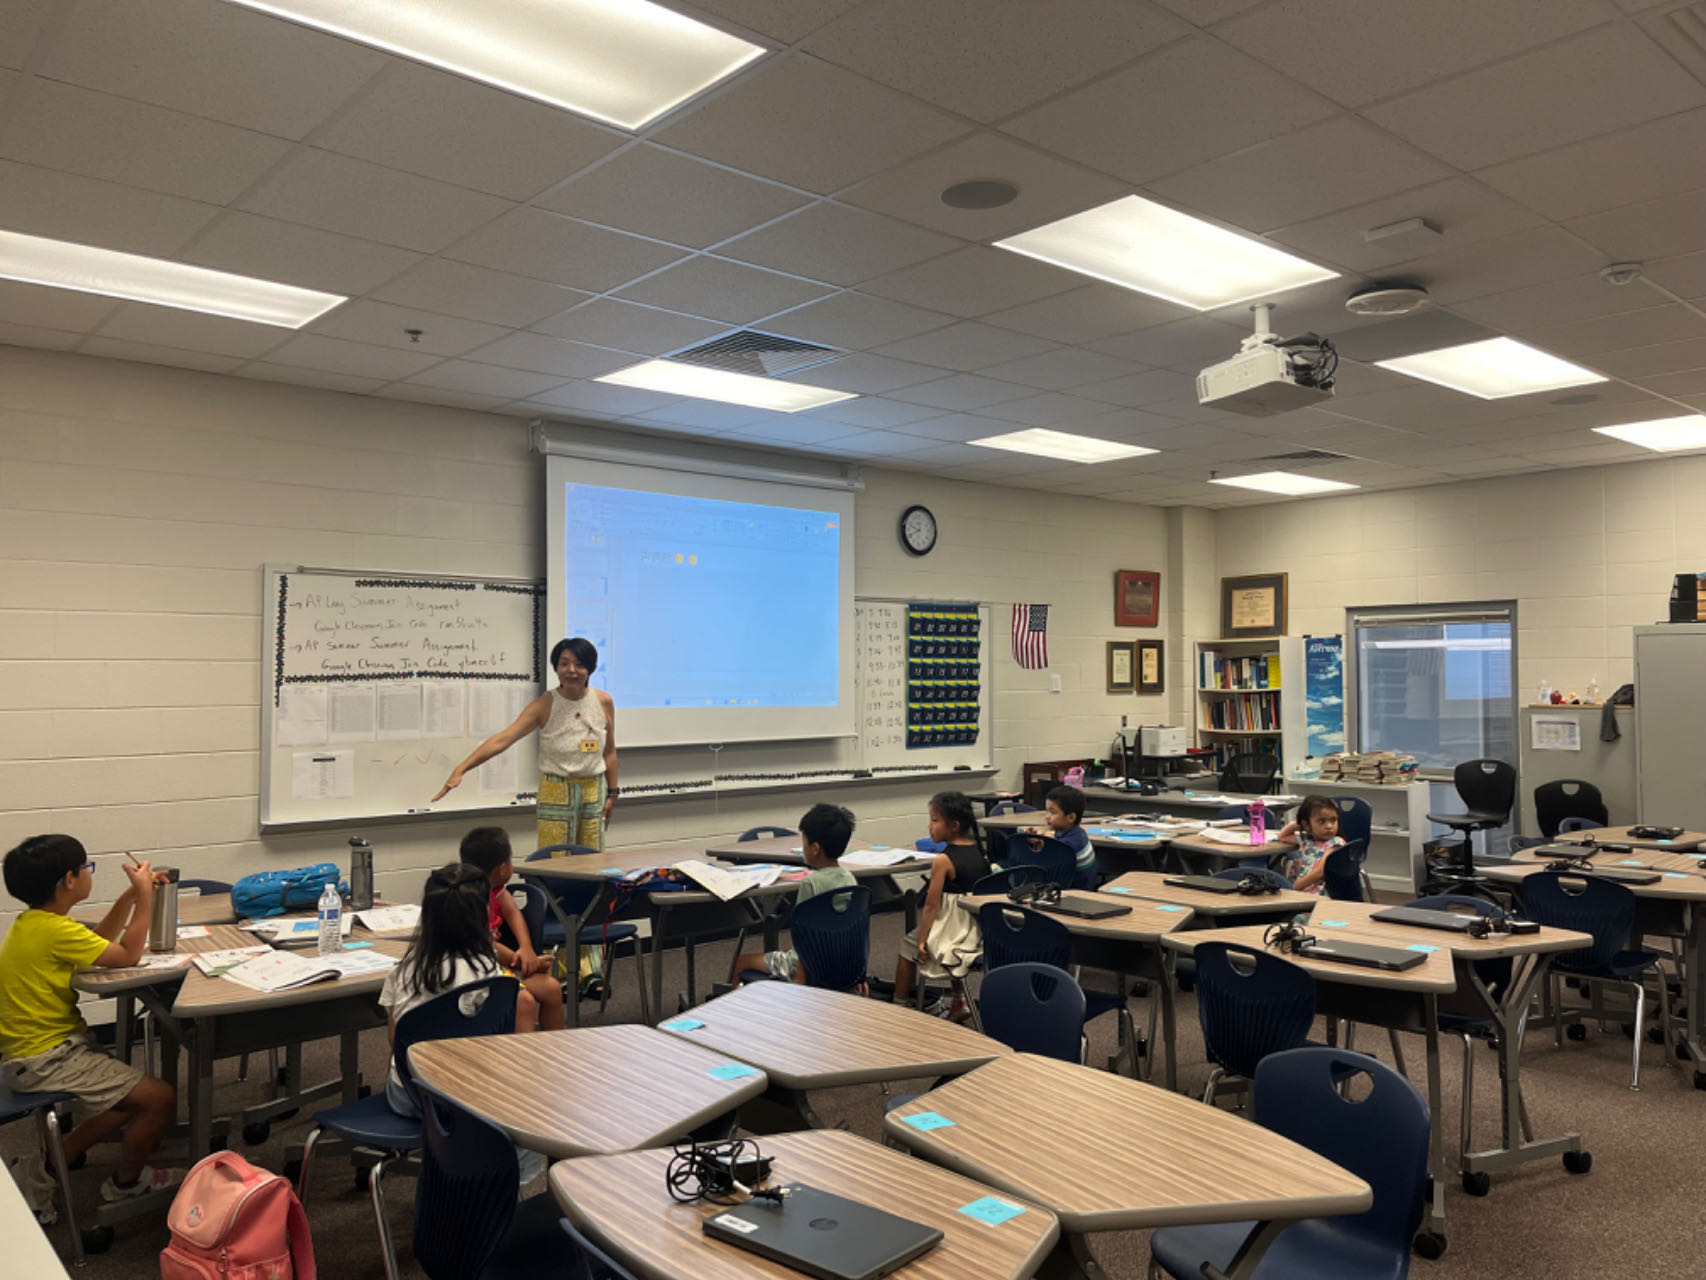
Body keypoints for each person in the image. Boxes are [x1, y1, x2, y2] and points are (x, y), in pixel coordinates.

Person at [0, 835, 180, 1219]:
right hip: (45, 1058)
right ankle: (125, 1184)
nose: (87, 873)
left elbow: (97, 944)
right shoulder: (54, 930)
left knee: (129, 1099)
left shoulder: (36, 924)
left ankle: (51, 1161)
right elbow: (128, 954)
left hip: (32, 1054)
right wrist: (145, 897)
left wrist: (130, 897)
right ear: (69, 880)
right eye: (86, 868)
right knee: (158, 1097)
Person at [376, 862, 534, 1116]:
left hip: (410, 1096)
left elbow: (396, 1039)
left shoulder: (404, 970)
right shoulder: (488, 974)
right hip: (472, 1098)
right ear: (483, 916)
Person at [434, 637, 618, 853]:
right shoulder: (545, 704)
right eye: (564, 663)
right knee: (556, 858)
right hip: (556, 790)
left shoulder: (603, 701)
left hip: (594, 790)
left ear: (591, 668)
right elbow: (503, 739)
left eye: (579, 664)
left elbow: (609, 752)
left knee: (592, 857)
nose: (571, 670)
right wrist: (461, 769)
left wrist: (612, 793)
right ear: (556, 668)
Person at [733, 804, 858, 986]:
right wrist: (857, 974)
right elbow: (855, 931)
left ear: (815, 848)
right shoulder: (850, 879)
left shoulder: (811, 883)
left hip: (806, 966)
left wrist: (800, 980)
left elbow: (803, 938)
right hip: (841, 964)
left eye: (804, 841)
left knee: (742, 962)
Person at [894, 792, 990, 1022]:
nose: (929, 826)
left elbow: (931, 906)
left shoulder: (943, 861)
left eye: (935, 820)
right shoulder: (979, 851)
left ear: (954, 826)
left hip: (953, 930)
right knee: (943, 932)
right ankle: (959, 999)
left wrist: (922, 941)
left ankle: (899, 1006)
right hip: (977, 931)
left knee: (907, 944)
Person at [457, 827, 565, 1031]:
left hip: (503, 966)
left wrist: (526, 948)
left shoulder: (497, 891)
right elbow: (484, 944)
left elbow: (513, 913)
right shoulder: (465, 899)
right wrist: (526, 963)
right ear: (502, 869)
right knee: (525, 1002)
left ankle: (554, 1045)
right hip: (478, 974)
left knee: (551, 989)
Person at [1023, 784, 1095, 890]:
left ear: (1071, 817)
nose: (1047, 817)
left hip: (1074, 891)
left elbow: (1043, 864)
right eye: (1046, 811)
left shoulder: (1069, 844)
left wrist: (1038, 844)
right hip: (1072, 884)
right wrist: (1039, 840)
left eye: (1053, 812)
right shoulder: (1076, 832)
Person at [1274, 795, 1345, 895]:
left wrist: (1294, 887)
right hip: (1302, 890)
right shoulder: (1307, 841)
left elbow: (1320, 872)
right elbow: (1283, 836)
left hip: (1320, 893)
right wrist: (1300, 824)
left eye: (1333, 820)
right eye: (1322, 821)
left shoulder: (1336, 843)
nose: (1329, 826)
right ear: (1307, 824)